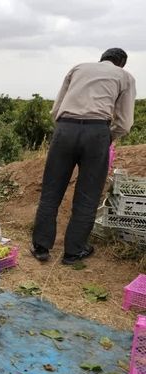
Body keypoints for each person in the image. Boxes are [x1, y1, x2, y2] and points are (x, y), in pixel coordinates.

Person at [31, 48, 136, 265]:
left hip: (65, 128)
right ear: (121, 63)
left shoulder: (78, 68)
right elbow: (125, 123)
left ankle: (41, 247)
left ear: (102, 59)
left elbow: (55, 110)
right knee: (87, 195)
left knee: (51, 191)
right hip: (97, 131)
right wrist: (106, 137)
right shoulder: (124, 77)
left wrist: (66, 130)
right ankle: (73, 252)